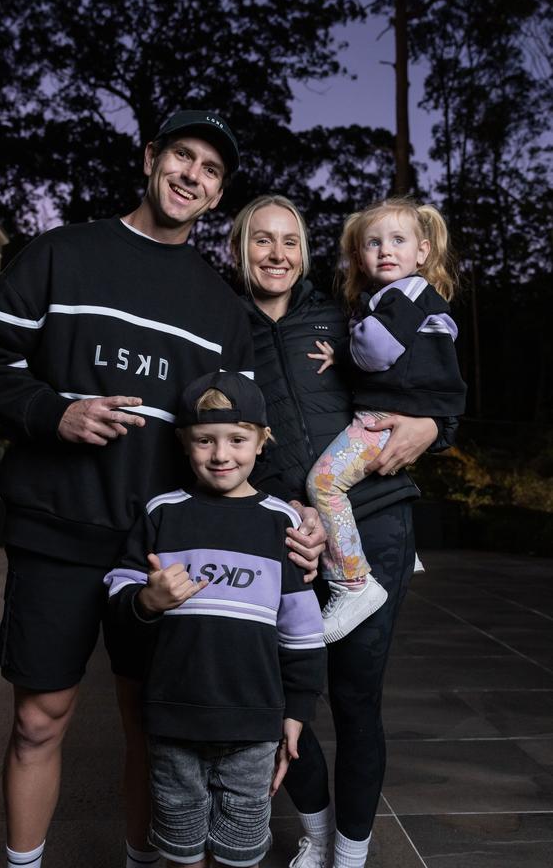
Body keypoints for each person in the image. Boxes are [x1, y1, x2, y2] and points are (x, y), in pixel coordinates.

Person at [0, 112, 327, 868]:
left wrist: (296, 511)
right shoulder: (61, 254)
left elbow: (251, 436)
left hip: (168, 555)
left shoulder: (221, 309)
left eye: (212, 171)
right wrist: (53, 411)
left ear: (217, 192)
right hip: (57, 532)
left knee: (152, 731)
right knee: (40, 719)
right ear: (151, 158)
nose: (193, 175)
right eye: (182, 157)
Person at [230, 194, 457, 868]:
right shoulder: (218, 325)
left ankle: (352, 853)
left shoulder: (344, 315)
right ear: (238, 249)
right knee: (283, 696)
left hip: (378, 520)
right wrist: (280, 513)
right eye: (262, 241)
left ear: (306, 252)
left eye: (291, 241)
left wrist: (432, 429)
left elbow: (426, 391)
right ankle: (316, 833)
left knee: (357, 697)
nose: (277, 254)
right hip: (283, 537)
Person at [104, 371, 326, 868]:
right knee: (181, 848)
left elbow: (303, 630)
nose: (221, 454)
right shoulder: (164, 513)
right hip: (172, 715)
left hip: (254, 720)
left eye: (237, 439)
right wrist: (147, 600)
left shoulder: (280, 521)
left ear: (262, 442)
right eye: (205, 440)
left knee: (242, 848)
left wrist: (297, 711)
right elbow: (118, 588)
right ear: (184, 443)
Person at [305, 198, 466, 643]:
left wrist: (349, 346)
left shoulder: (404, 294)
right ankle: (402, 552)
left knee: (323, 483)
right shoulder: (398, 298)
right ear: (359, 256)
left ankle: (353, 582)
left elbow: (376, 350)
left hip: (382, 418)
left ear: (423, 251)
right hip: (399, 411)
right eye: (373, 243)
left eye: (398, 240)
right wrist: (343, 351)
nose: (385, 250)